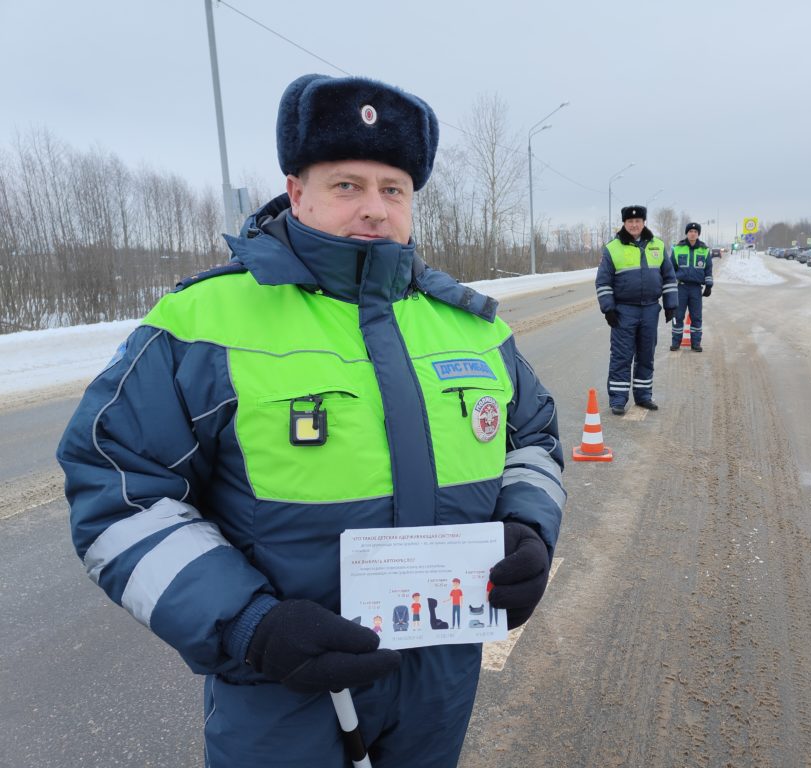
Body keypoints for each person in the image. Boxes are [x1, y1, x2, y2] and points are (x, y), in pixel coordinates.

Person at [56, 74, 566, 768]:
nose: (375, 210)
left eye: (393, 189)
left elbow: (532, 438)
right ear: (297, 192)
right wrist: (249, 624)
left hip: (439, 684)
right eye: (346, 185)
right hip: (283, 693)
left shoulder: (469, 329)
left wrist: (530, 529)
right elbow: (116, 492)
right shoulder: (203, 324)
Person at [595, 205, 678, 414]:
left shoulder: (657, 246)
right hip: (624, 311)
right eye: (630, 222)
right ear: (624, 223)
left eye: (638, 221)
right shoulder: (613, 248)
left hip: (650, 309)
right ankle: (617, 399)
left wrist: (671, 305)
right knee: (621, 356)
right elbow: (603, 282)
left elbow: (669, 278)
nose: (634, 225)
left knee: (646, 354)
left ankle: (643, 396)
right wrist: (608, 309)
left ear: (644, 222)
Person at [670, 222, 714, 352]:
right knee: (677, 316)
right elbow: (671, 269)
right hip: (681, 288)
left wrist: (709, 286)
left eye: (695, 231)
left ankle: (696, 343)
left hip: (696, 289)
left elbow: (708, 269)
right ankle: (676, 342)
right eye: (690, 231)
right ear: (687, 233)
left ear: (698, 234)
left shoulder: (704, 250)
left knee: (696, 317)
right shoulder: (677, 249)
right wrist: (670, 286)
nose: (693, 233)